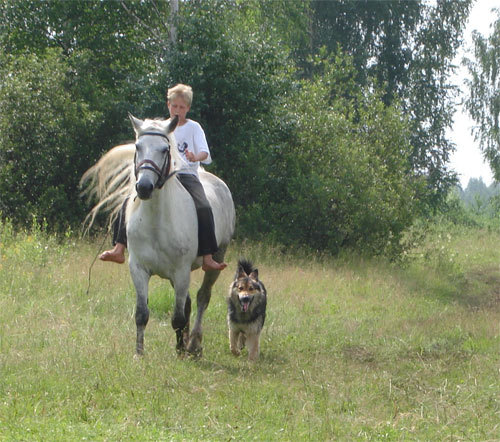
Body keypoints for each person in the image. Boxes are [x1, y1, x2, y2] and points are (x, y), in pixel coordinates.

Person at [99, 83, 227, 272]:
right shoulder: (160, 128)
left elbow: (206, 154)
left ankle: (207, 256)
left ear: (188, 108)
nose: (177, 110)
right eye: (174, 106)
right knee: (128, 200)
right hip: (163, 177)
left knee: (203, 206)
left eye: (181, 107)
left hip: (188, 175)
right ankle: (119, 248)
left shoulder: (194, 128)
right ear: (168, 105)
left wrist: (195, 157)